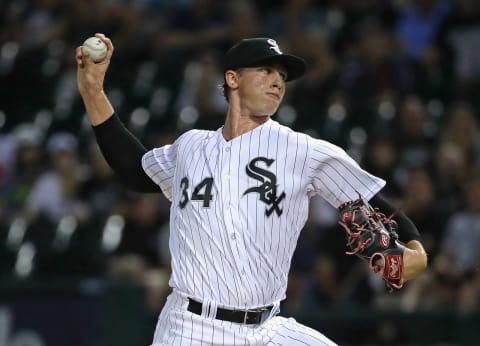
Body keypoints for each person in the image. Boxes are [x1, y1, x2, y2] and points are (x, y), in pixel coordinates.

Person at [76, 33, 428, 346]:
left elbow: (377, 206)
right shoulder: (190, 146)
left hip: (267, 329)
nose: (277, 82)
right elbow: (136, 172)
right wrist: (93, 92)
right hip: (190, 328)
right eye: (266, 70)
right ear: (232, 78)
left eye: (282, 76)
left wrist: (413, 253)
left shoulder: (303, 151)